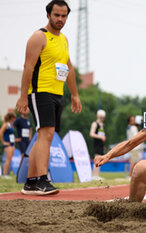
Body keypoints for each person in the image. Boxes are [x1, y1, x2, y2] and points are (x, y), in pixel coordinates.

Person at [16, 0, 82, 195]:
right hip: (40, 92)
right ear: (48, 15)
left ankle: (31, 181)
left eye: (64, 16)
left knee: (46, 135)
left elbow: (68, 67)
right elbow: (28, 67)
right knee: (46, 133)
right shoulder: (39, 37)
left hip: (57, 93)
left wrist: (75, 94)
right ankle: (43, 180)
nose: (60, 19)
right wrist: (23, 97)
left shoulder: (63, 40)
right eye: (56, 15)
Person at [90, 109, 106, 181]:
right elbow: (91, 134)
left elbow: (101, 134)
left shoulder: (102, 125)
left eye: (103, 117)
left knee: (100, 159)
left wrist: (103, 144)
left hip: (101, 144)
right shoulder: (95, 124)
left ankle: (96, 175)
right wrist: (100, 137)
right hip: (96, 143)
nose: (101, 118)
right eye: (100, 117)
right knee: (96, 158)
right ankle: (94, 175)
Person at [0, 113, 16, 179]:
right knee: (7, 159)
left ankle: (7, 173)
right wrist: (3, 142)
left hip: (12, 144)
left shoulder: (10, 124)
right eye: (14, 117)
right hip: (7, 144)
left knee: (10, 159)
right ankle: (4, 174)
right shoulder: (5, 124)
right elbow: (0, 133)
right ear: (11, 117)